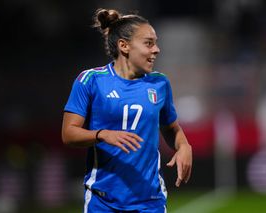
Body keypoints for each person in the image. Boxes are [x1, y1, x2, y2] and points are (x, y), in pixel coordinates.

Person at [62, 8, 192, 213]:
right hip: (102, 202)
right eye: (148, 43)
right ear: (124, 46)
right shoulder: (90, 80)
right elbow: (69, 134)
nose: (156, 49)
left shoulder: (160, 83)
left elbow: (171, 128)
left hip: (150, 201)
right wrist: (102, 135)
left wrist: (184, 145)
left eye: (156, 43)